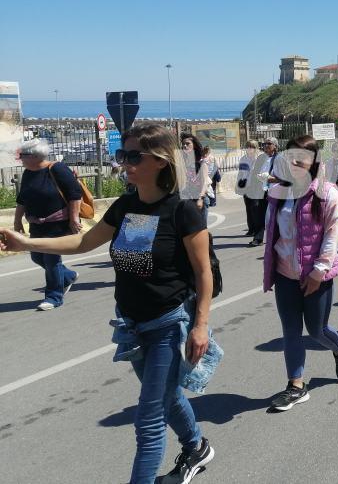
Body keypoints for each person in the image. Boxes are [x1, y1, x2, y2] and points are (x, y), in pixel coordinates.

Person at [1, 124, 216, 483]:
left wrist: (200, 325)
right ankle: (196, 446)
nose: (124, 164)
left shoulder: (182, 211)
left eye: (134, 156)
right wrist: (26, 243)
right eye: (122, 155)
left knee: (148, 421)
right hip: (132, 323)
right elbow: (83, 245)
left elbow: (203, 272)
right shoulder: (126, 205)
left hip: (166, 323)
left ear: (161, 161)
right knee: (166, 394)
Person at [261, 135, 338, 412]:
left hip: (316, 275)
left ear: (314, 161)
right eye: (291, 155)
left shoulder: (326, 193)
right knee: (291, 331)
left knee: (317, 331)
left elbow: (332, 233)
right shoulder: (279, 192)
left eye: (302, 156)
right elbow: (273, 232)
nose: (295, 161)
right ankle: (295, 386)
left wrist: (319, 270)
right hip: (284, 274)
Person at [13, 139, 82, 311]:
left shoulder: (57, 168)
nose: (20, 160)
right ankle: (68, 276)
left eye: (23, 156)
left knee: (51, 260)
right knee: (37, 257)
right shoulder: (29, 172)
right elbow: (22, 199)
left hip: (57, 223)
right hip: (36, 224)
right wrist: (17, 220)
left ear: (36, 156)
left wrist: (74, 219)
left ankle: (54, 297)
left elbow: (75, 194)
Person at [237, 140, 267, 242]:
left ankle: (259, 232)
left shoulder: (261, 158)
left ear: (257, 148)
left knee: (256, 209)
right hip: (246, 186)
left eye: (252, 147)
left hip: (257, 187)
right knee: (249, 208)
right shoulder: (243, 159)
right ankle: (251, 229)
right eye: (248, 146)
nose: (250, 149)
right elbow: (241, 173)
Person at [179, 133, 210, 227]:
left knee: (200, 229)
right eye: (183, 144)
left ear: (194, 146)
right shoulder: (181, 163)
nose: (184, 145)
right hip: (186, 199)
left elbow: (204, 183)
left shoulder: (201, 163)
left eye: (187, 143)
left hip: (198, 199)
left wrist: (200, 199)